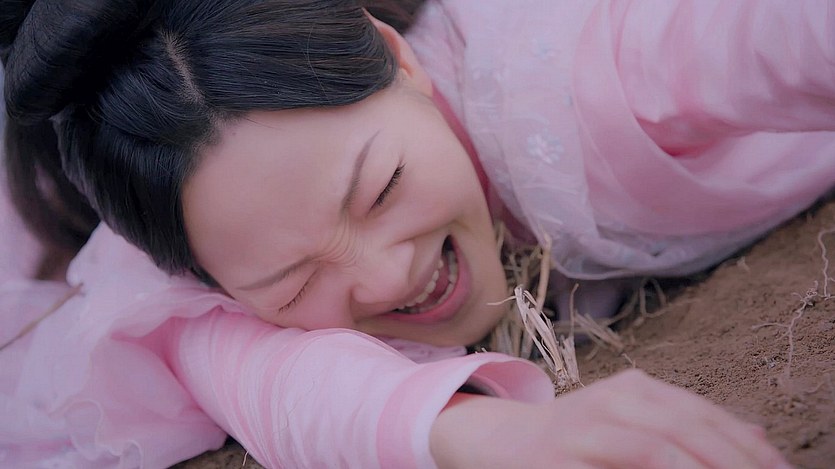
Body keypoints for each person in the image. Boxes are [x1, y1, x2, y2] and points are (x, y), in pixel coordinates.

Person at [2, 0, 832, 467]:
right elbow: (267, 376)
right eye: (295, 284)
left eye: (380, 189)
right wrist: (481, 431)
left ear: (400, 61)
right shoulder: (193, 248)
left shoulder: (582, 74)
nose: (384, 277)